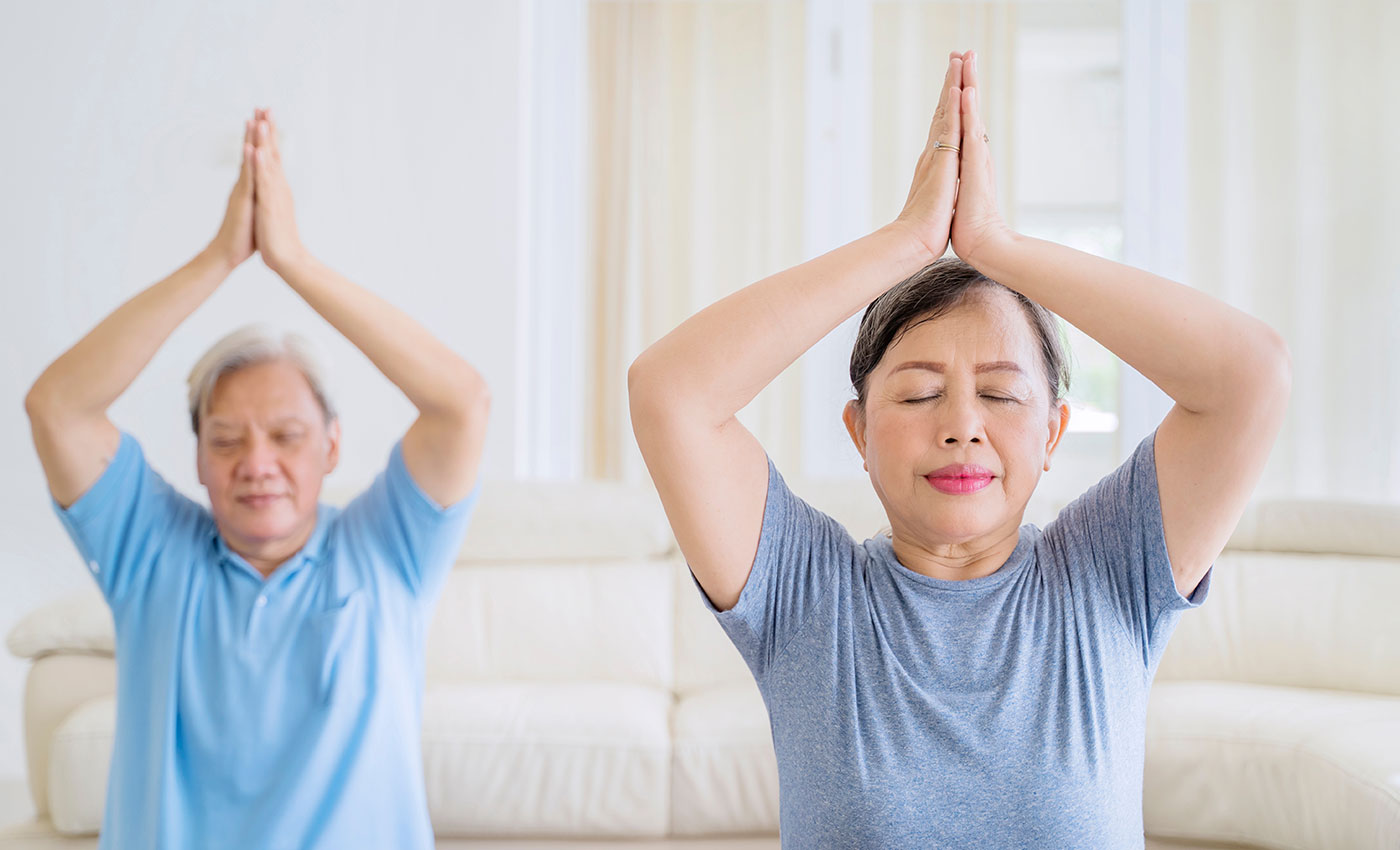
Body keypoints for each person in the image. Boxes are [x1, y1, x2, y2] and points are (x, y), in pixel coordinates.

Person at [628, 50, 1290, 848]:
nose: (962, 424)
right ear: (859, 434)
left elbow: (1250, 377)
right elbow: (670, 393)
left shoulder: (1108, 573)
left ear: (1051, 435)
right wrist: (911, 240)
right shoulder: (809, 599)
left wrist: (994, 246)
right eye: (916, 393)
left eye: (1003, 393)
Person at [24, 109, 490, 848]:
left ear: (332, 447)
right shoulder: (150, 551)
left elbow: (461, 403)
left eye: (287, 436)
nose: (258, 463)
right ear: (200, 458)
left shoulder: (386, 549)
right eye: (228, 439)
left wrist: (295, 262)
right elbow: (57, 408)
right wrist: (218, 258)